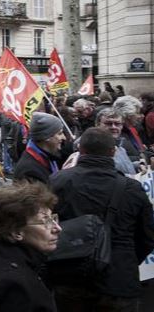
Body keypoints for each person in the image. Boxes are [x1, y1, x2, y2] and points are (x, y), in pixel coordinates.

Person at [49, 128, 154, 310]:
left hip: (71, 275)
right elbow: (147, 235)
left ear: (80, 150)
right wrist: (126, 258)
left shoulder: (58, 181)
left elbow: (46, 225)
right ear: (113, 152)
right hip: (119, 279)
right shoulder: (132, 188)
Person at [0, 182, 61, 312]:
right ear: (16, 232)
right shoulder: (14, 287)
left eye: (53, 218)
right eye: (45, 221)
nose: (57, 228)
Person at [13, 112, 65, 184]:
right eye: (60, 133)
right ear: (47, 137)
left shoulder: (48, 156)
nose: (64, 137)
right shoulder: (29, 171)